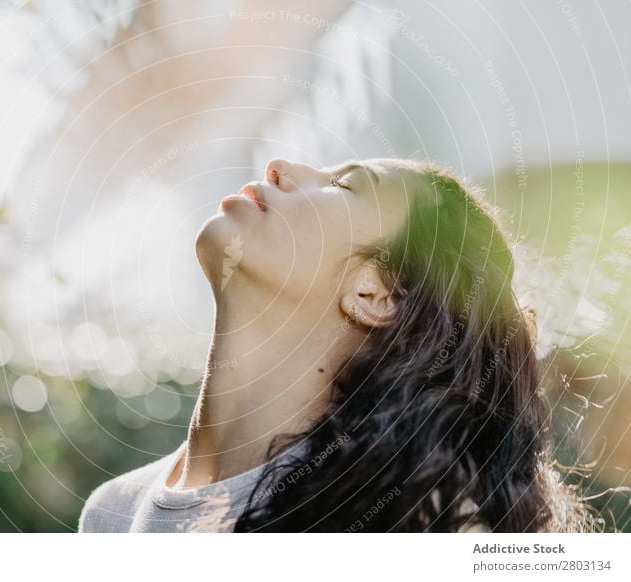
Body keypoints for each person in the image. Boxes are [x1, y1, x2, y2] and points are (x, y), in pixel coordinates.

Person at [79, 157, 594, 532]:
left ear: (374, 293)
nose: (281, 167)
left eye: (345, 185)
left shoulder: (409, 532)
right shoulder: (110, 514)